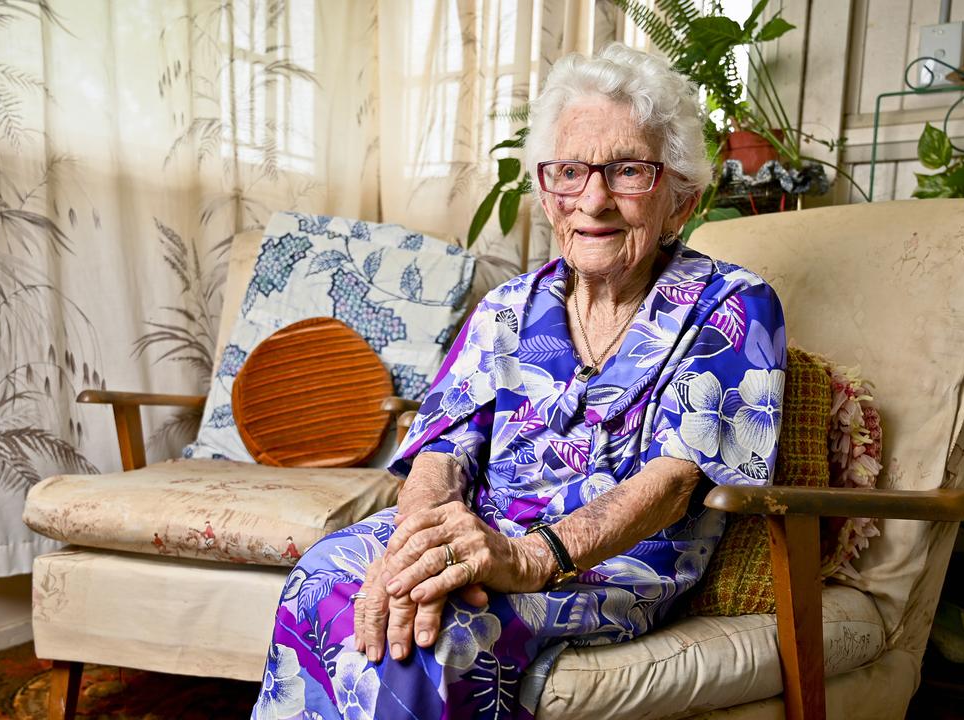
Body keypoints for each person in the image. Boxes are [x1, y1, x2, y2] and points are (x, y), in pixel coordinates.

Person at [251, 43, 786, 720]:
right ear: (546, 192)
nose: (594, 199)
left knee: (439, 640)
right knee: (321, 576)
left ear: (680, 200)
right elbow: (442, 451)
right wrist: (422, 552)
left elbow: (674, 484)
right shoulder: (506, 310)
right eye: (570, 171)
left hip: (607, 563)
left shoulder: (733, 305)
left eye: (628, 172)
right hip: (480, 534)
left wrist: (529, 557)